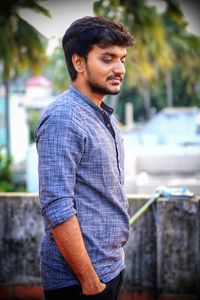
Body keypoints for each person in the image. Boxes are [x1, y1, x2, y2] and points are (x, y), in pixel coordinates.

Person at [35, 16, 134, 300]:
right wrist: (90, 281)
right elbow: (57, 206)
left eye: (122, 59)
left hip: (110, 267)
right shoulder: (64, 118)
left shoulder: (103, 115)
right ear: (79, 63)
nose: (120, 69)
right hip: (80, 283)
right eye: (107, 59)